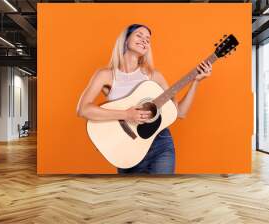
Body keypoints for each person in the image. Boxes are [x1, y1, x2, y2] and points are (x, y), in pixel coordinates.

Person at [77, 24, 212, 174]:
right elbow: (83, 109)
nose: (144, 40)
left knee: (160, 195)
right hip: (126, 148)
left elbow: (180, 112)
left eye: (148, 39)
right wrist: (126, 115)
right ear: (125, 40)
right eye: (139, 35)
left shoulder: (154, 76)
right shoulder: (106, 75)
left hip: (161, 144)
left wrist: (196, 82)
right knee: (131, 197)